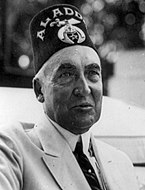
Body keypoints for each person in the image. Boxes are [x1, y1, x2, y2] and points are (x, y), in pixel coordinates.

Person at [0, 4, 139, 190]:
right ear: (39, 90)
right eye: (66, 74)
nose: (84, 89)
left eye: (92, 74)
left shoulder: (121, 163)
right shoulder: (12, 149)